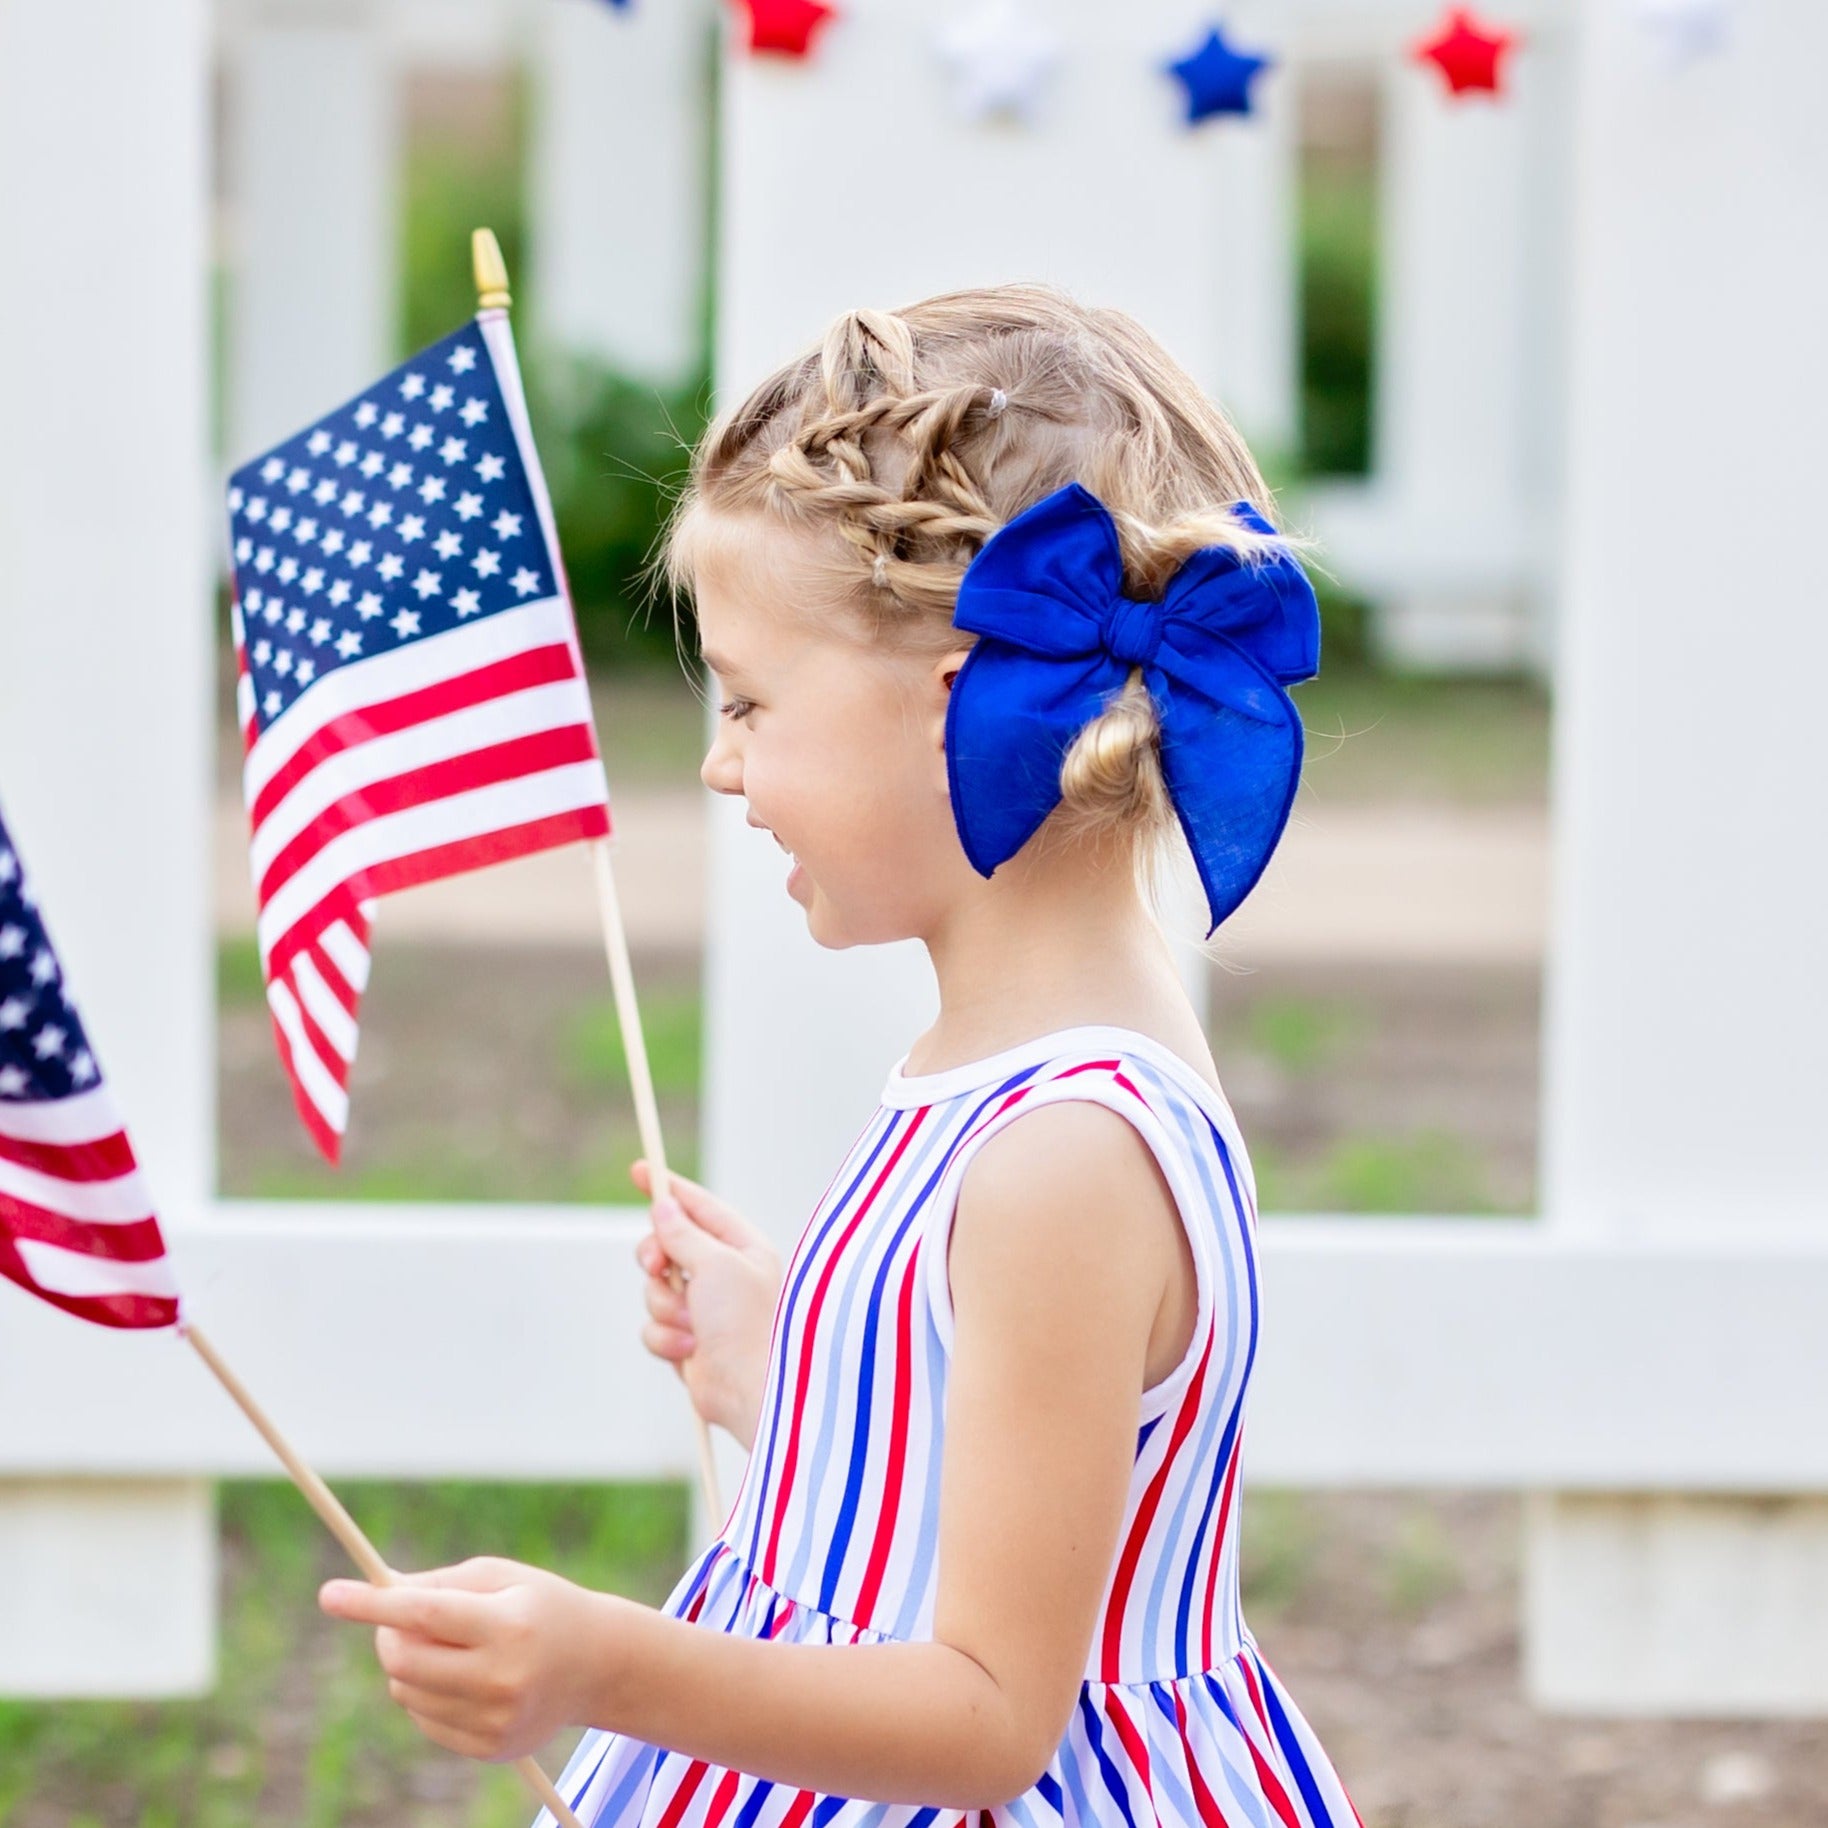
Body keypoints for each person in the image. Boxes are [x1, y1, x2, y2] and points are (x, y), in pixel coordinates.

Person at [320, 283, 1366, 1828]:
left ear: (959, 700)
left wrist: (608, 1664)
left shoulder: (1068, 1151)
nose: (720, 760)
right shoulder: (1017, 1066)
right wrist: (801, 1375)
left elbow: (993, 1713)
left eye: (749, 699)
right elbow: (1002, 1478)